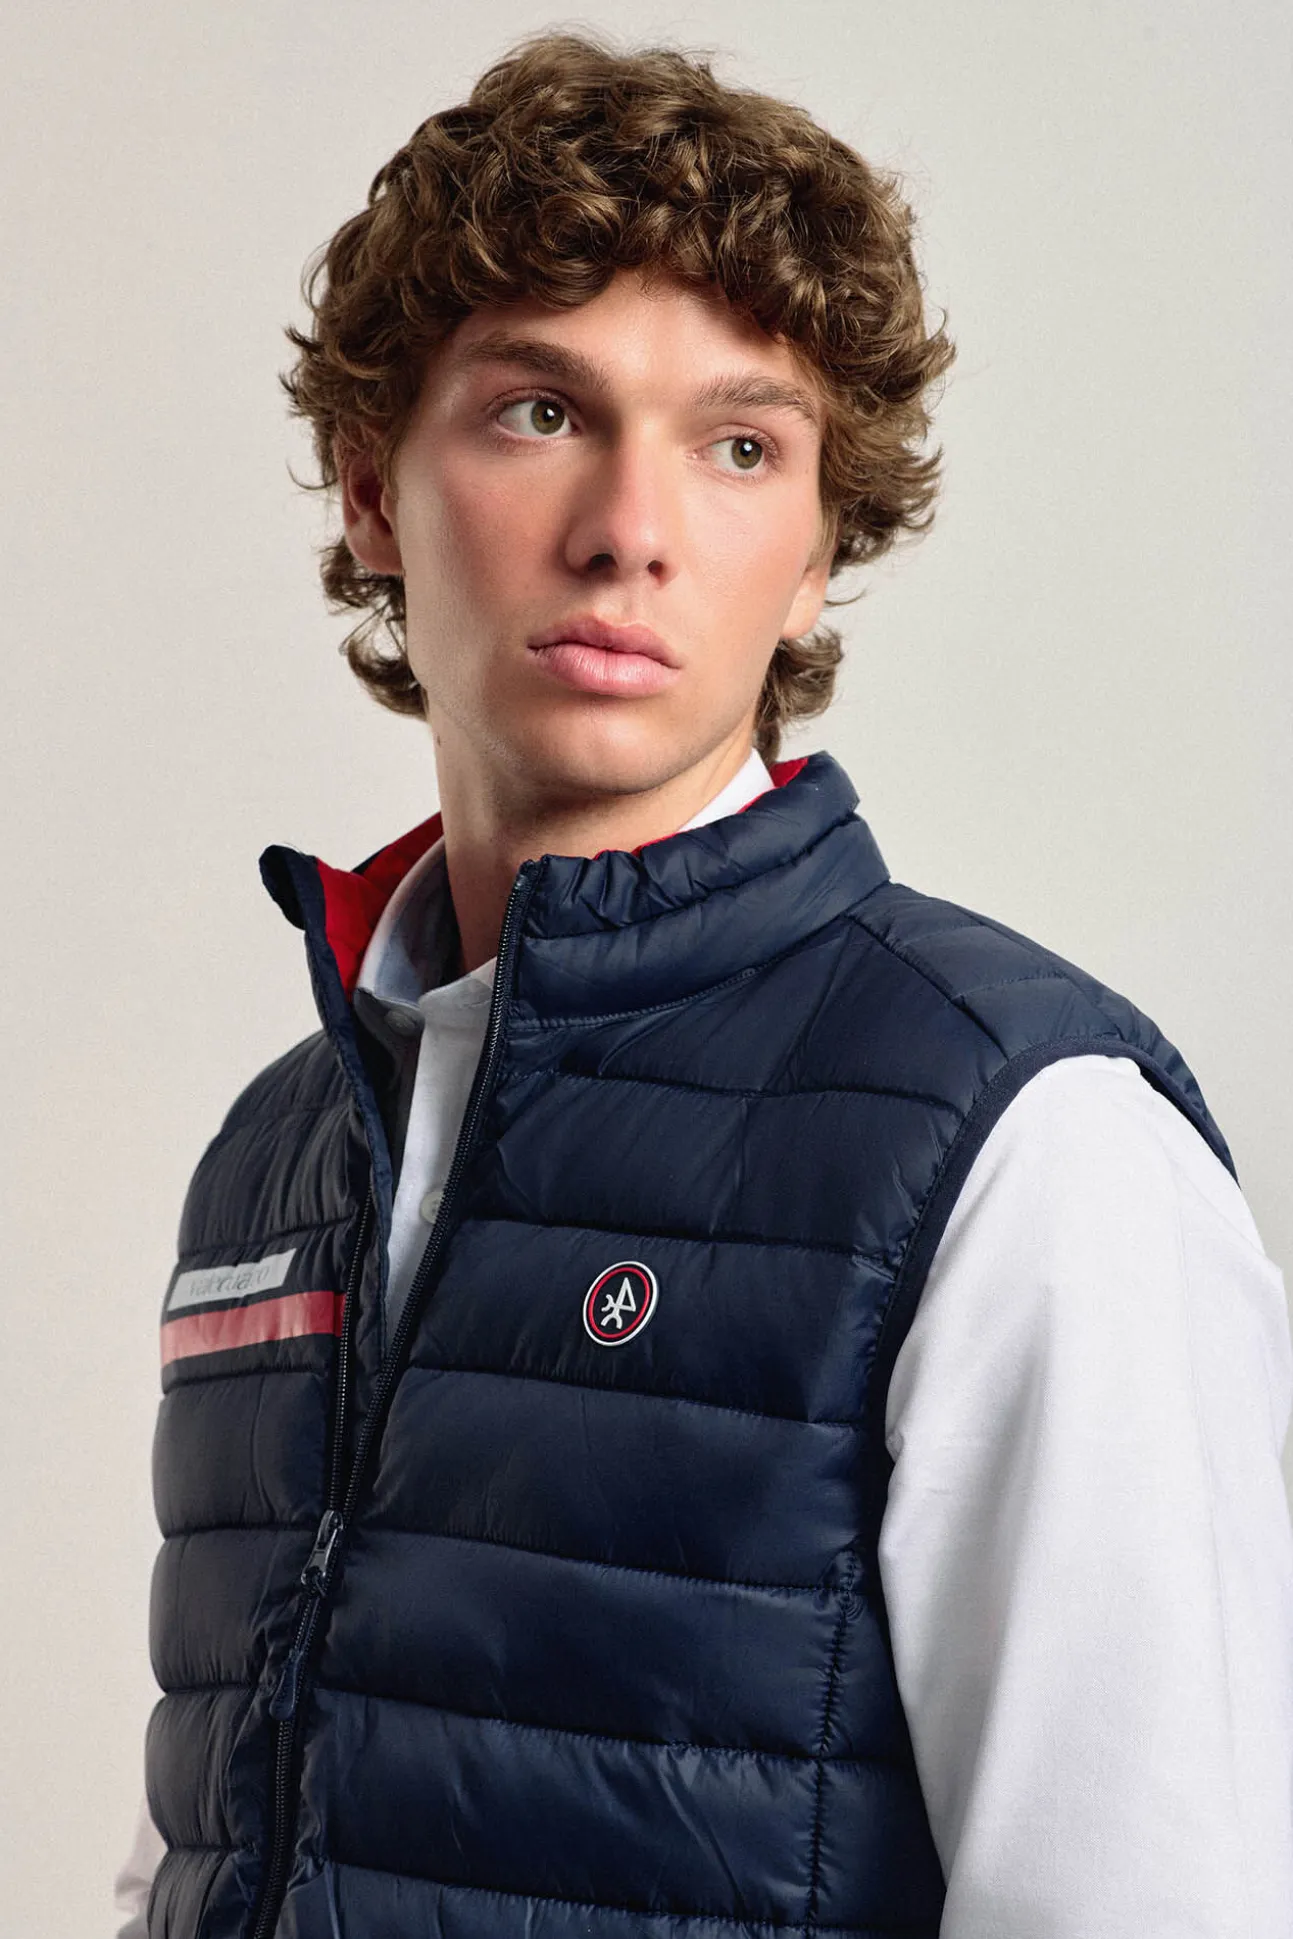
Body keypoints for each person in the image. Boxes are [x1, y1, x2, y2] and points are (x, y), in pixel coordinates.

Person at [116, 29, 1293, 1939]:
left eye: (741, 446)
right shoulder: (274, 1161)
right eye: (539, 412)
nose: (629, 532)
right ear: (370, 487)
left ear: (819, 553)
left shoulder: (1029, 1146)